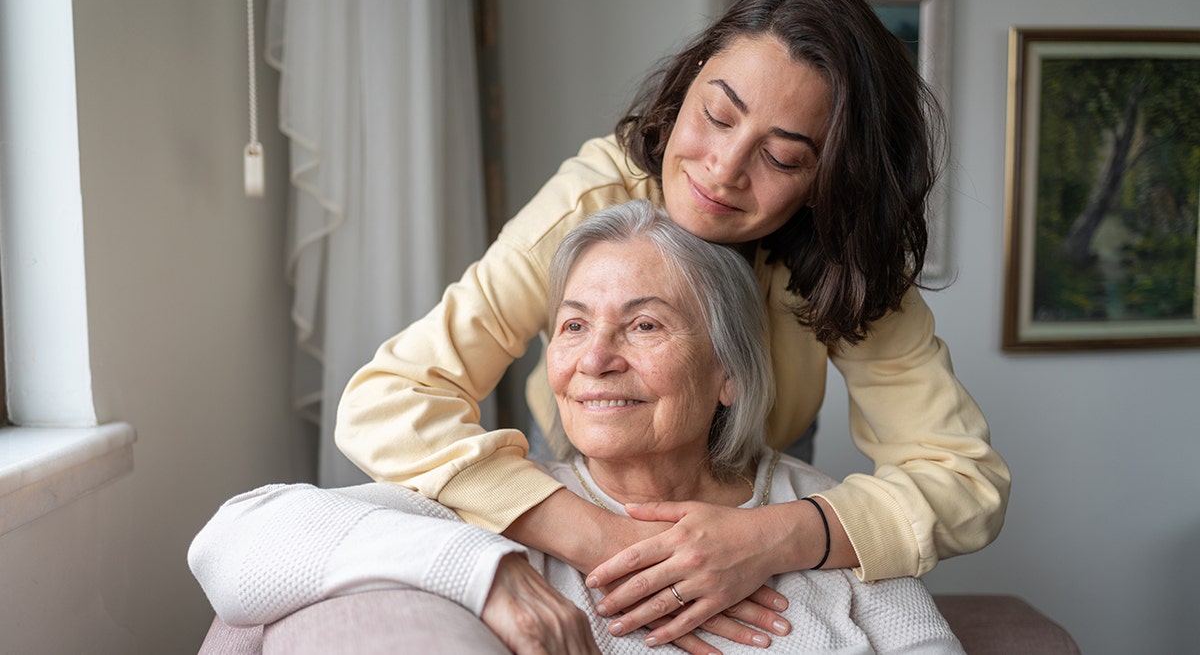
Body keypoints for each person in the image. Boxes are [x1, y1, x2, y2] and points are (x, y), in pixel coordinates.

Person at [336, 0, 1011, 648]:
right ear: (688, 83)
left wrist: (767, 535)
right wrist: (600, 535)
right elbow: (388, 401)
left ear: (830, 180)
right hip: (578, 478)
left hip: (764, 483)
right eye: (717, 116)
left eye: (780, 156)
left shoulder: (849, 262)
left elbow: (964, 480)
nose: (722, 169)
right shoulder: (591, 201)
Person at [190, 200, 965, 654]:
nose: (595, 359)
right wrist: (483, 571)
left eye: (645, 325)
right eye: (571, 326)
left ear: (728, 371)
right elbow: (232, 540)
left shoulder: (825, 521)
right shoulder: (504, 511)